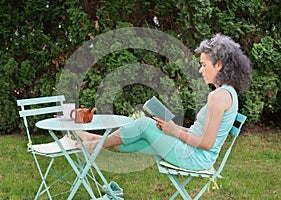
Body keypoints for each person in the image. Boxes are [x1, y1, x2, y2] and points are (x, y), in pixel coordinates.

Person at [75, 33, 252, 171]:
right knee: (139, 139)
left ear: (219, 65)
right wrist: (171, 127)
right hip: (193, 152)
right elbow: (199, 132)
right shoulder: (226, 93)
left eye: (204, 65)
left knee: (144, 124)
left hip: (195, 158)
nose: (200, 70)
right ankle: (94, 139)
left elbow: (206, 143)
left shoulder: (219, 97)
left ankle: (94, 145)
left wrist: (174, 131)